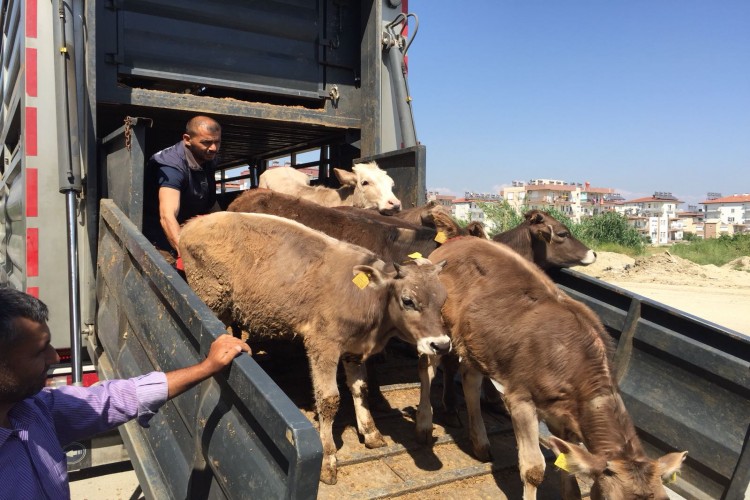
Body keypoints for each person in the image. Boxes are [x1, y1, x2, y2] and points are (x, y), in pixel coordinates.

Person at [0, 287, 250, 499]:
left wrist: (206, 367)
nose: (54, 357)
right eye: (39, 351)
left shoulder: (33, 409)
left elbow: (113, 399)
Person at [143, 116, 223, 264]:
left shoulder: (209, 159)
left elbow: (212, 204)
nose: (213, 148)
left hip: (188, 224)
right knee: (170, 269)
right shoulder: (172, 166)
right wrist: (185, 254)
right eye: (206, 142)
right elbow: (167, 216)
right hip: (159, 231)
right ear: (187, 139)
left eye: (217, 142)